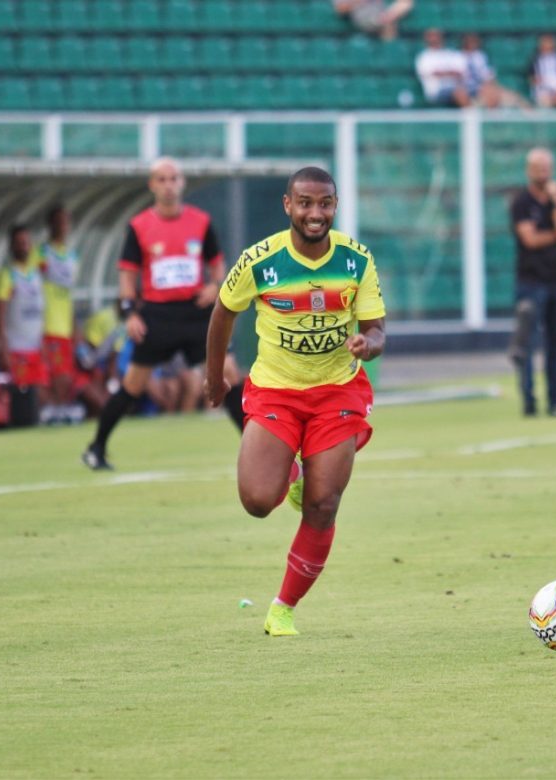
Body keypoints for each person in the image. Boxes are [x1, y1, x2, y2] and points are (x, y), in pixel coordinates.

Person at [203, 166, 387, 637]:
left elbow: (376, 328)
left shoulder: (356, 260)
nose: (315, 213)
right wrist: (216, 378)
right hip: (275, 391)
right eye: (305, 203)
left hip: (336, 393)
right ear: (288, 206)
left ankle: (283, 607)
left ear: (335, 206)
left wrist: (370, 343)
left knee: (324, 504)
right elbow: (223, 312)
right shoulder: (260, 262)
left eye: (324, 203)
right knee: (257, 501)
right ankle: (291, 472)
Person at [82, 157, 243, 470]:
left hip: (196, 314)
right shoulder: (139, 226)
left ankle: (254, 448)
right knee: (133, 385)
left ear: (182, 183)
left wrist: (215, 285)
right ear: (152, 185)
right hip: (157, 316)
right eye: (162, 179)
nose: (169, 185)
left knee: (230, 376)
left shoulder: (201, 221)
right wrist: (130, 314)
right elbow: (128, 275)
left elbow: (217, 264)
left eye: (174, 178)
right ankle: (96, 448)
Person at [508, 148, 556, 419]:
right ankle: (528, 401)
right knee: (527, 343)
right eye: (538, 168)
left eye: (547, 167)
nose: (544, 173)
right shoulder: (522, 202)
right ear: (529, 170)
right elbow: (530, 240)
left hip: (555, 281)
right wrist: (555, 235)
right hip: (529, 282)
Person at [31, 204, 83, 424]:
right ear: (50, 225)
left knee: (65, 374)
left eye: (65, 221)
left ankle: (60, 411)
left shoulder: (72, 255)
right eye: (58, 221)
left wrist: (74, 324)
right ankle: (49, 411)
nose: (62, 226)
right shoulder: (42, 253)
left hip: (65, 324)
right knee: (49, 373)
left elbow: (69, 293)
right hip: (47, 323)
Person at [0, 225, 48, 395]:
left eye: (26, 242)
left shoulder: (37, 275)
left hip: (36, 346)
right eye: (19, 243)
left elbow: (41, 310)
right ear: (11, 246)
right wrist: (3, 347)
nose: (23, 247)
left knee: (40, 393)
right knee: (20, 395)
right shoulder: (7, 275)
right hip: (16, 347)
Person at [461, 32, 529, 109]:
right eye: (470, 41)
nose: (473, 44)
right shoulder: (458, 57)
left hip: (486, 89)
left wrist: (491, 88)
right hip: (471, 91)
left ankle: (533, 118)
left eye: (475, 41)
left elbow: (489, 77)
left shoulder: (480, 56)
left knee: (517, 99)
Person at [414, 28, 470, 108]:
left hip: (458, 88)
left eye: (437, 35)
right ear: (426, 38)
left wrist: (444, 73)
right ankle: (472, 118)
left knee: (488, 90)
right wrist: (450, 73)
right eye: (431, 36)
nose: (434, 38)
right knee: (459, 93)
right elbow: (431, 74)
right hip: (437, 92)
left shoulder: (451, 54)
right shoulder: (424, 57)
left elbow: (461, 72)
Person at [331, 0, 413, 41]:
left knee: (405, 3)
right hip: (363, 20)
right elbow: (340, 9)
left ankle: (386, 19)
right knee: (387, 26)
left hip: (382, 14)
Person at [527, 34, 556, 108]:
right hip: (543, 89)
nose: (548, 45)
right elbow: (532, 79)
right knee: (545, 100)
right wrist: (544, 81)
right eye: (545, 42)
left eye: (550, 42)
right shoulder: (534, 60)